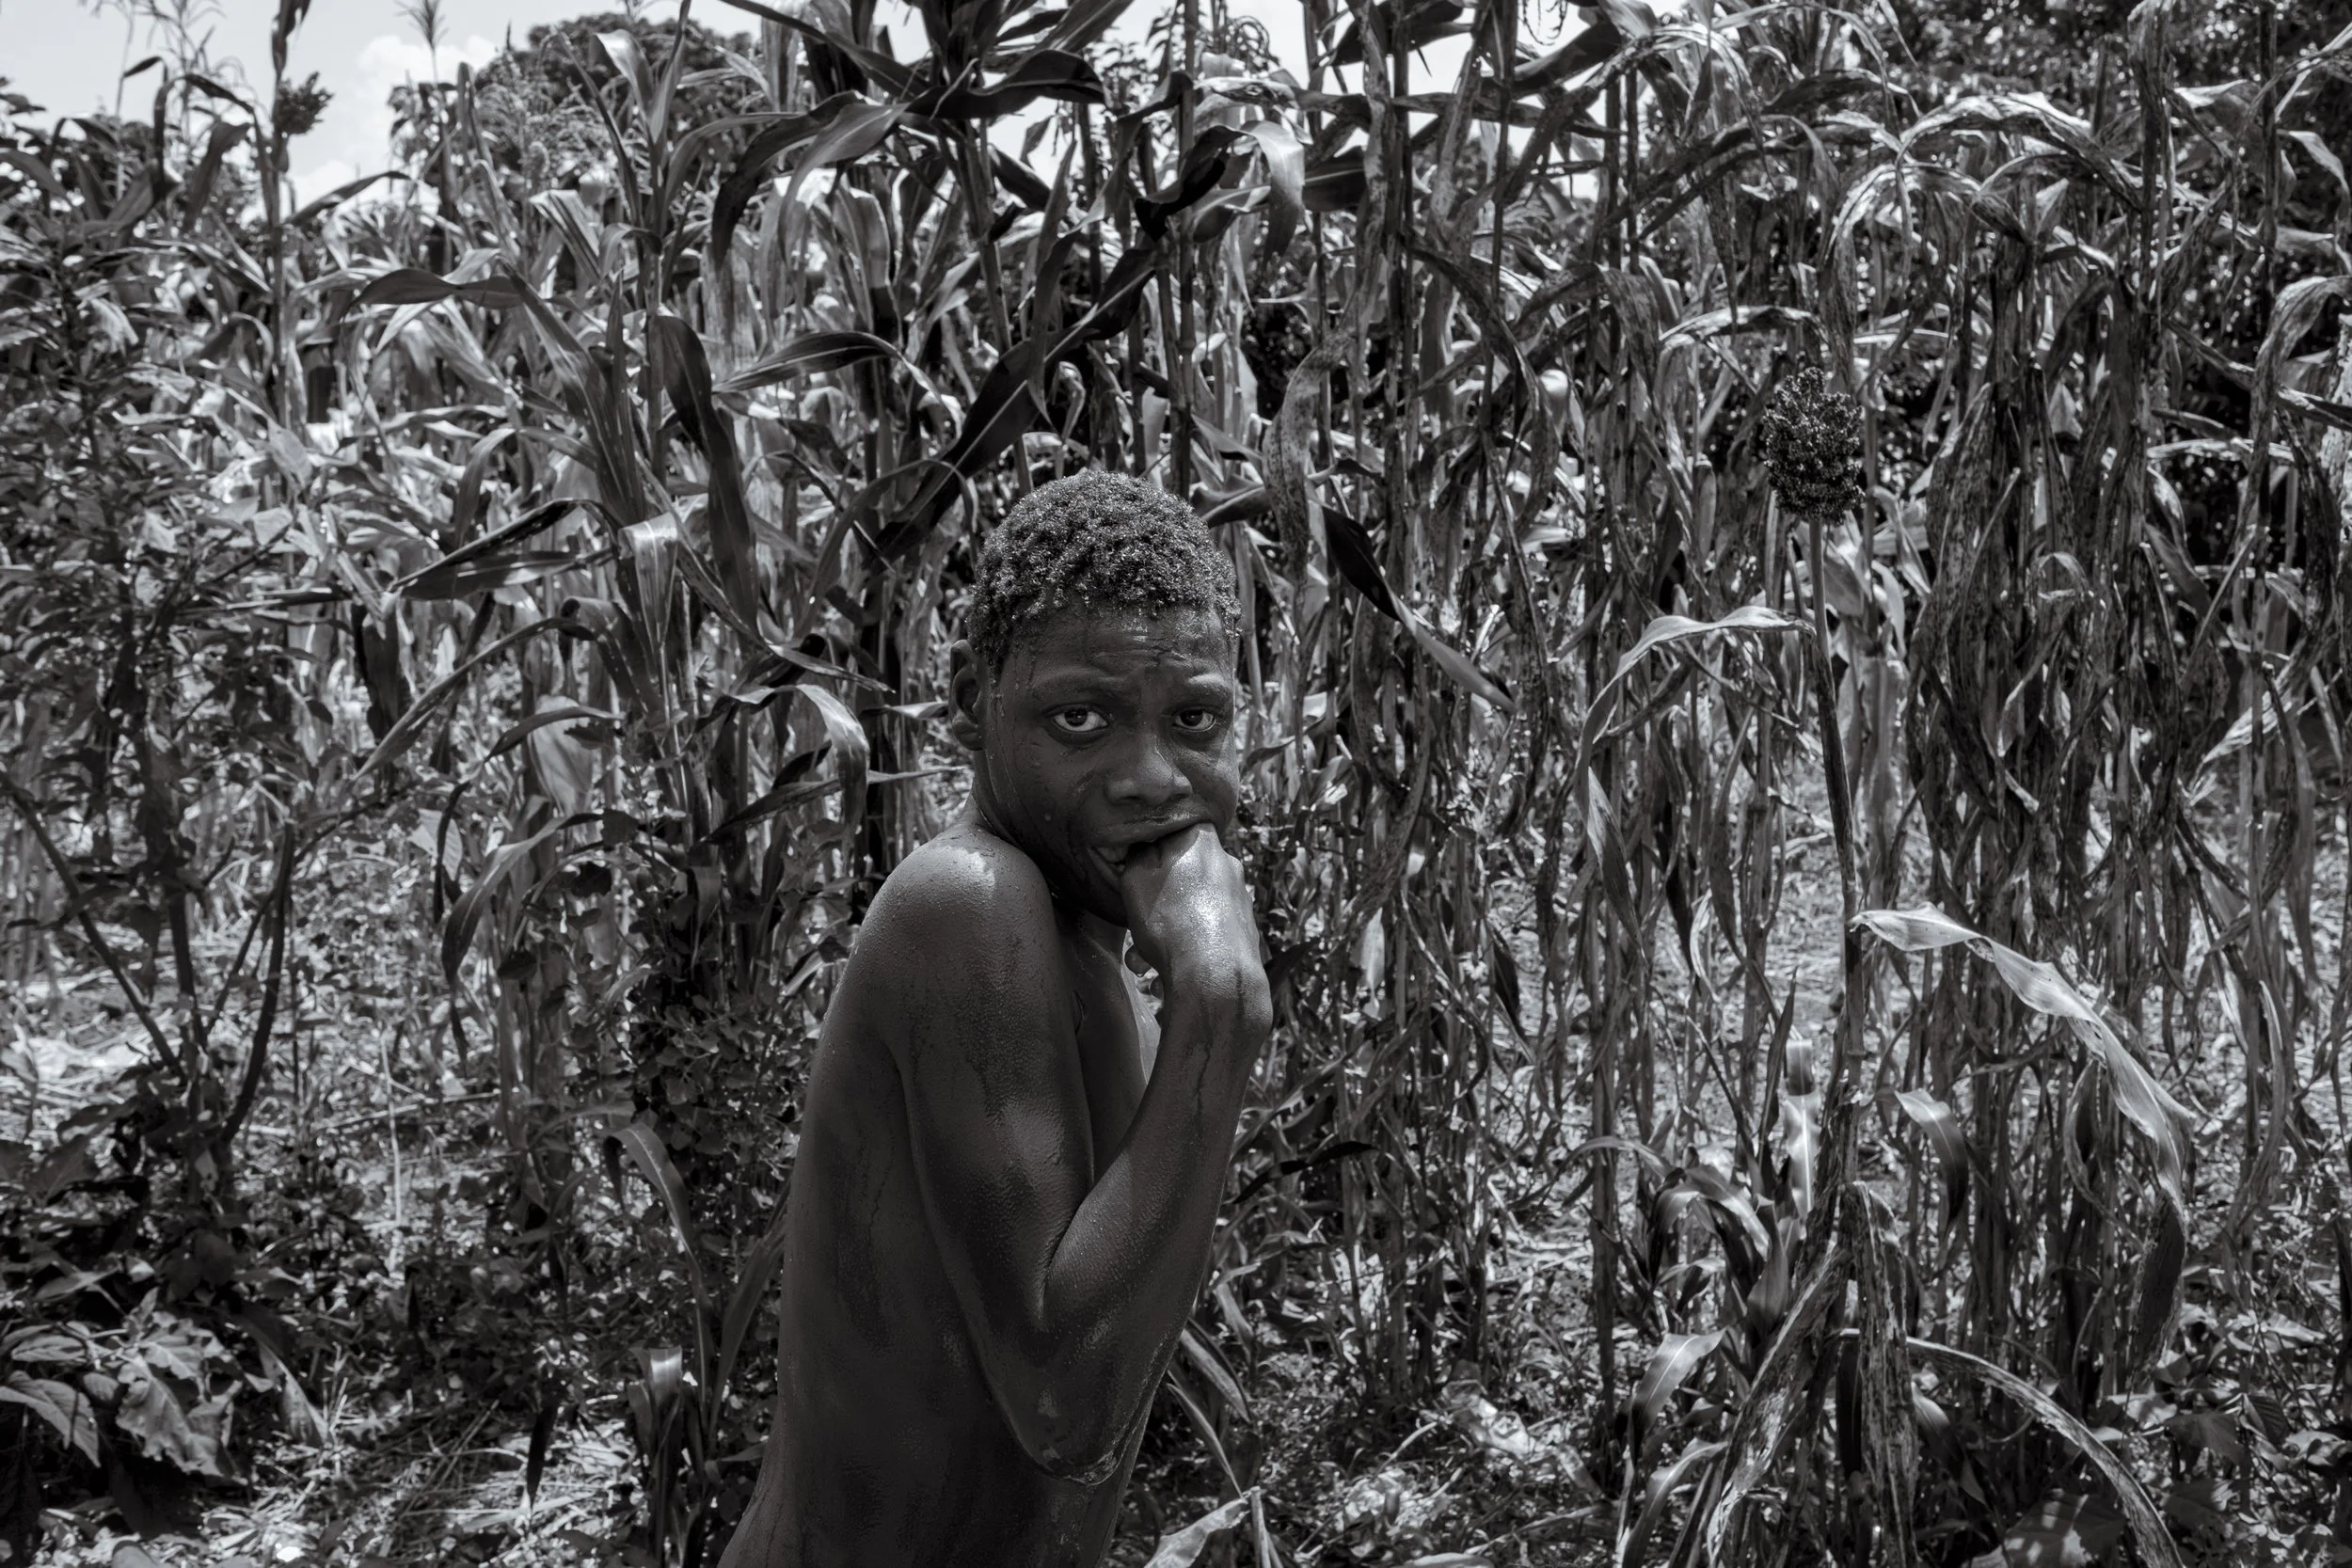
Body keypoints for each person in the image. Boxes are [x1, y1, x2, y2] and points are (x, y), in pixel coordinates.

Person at [718, 471, 1275, 1568]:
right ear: (972, 700)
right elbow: (1067, 1405)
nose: (1151, 776)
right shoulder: (970, 903)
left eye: (1196, 718)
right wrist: (1219, 1005)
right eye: (1080, 718)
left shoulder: (1097, 959)